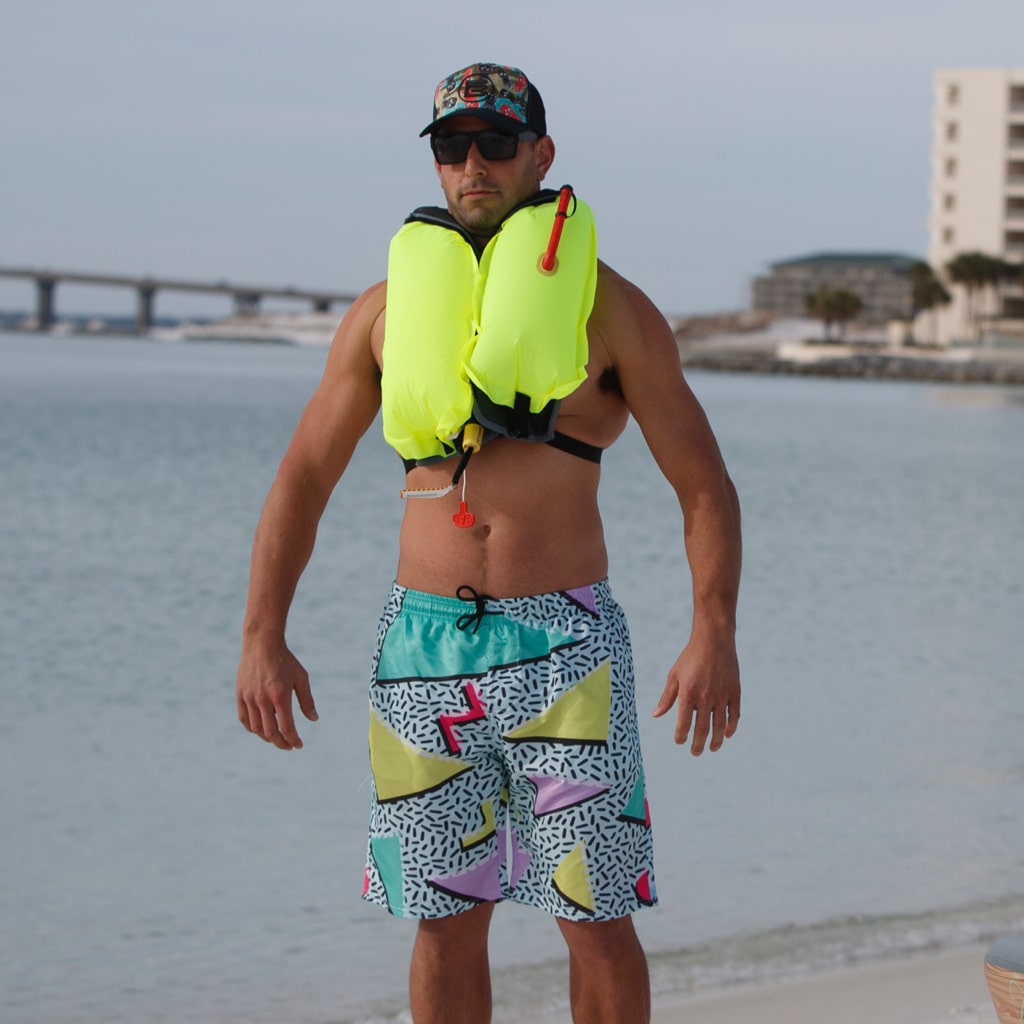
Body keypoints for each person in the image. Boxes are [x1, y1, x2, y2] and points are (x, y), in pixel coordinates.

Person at [236, 62, 741, 1024]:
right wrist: (264, 631)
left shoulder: (612, 310)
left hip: (567, 652)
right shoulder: (383, 315)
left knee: (596, 918)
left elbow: (705, 487)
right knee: (440, 919)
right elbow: (303, 476)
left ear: (540, 155)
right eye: (451, 146)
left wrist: (711, 630)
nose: (473, 164)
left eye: (496, 144)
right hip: (418, 646)